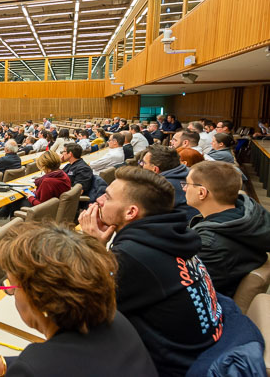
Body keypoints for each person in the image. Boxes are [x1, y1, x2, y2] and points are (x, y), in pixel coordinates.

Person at [0, 223, 157, 377]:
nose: (8, 292)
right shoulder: (117, 320)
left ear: (39, 300)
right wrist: (4, 365)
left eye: (11, 287)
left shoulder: (36, 366)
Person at [79, 167, 222, 376]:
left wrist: (91, 247)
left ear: (131, 212)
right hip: (199, 351)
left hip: (166, 368)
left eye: (107, 197)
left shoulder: (133, 256)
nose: (99, 200)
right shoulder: (171, 236)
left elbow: (82, 312)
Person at [184, 161, 270, 297]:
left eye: (187, 184)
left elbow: (187, 286)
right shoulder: (243, 216)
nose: (184, 189)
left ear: (202, 192)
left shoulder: (211, 244)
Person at [140, 144, 198, 220]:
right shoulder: (191, 174)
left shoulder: (160, 188)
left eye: (143, 163)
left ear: (155, 169)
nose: (141, 165)